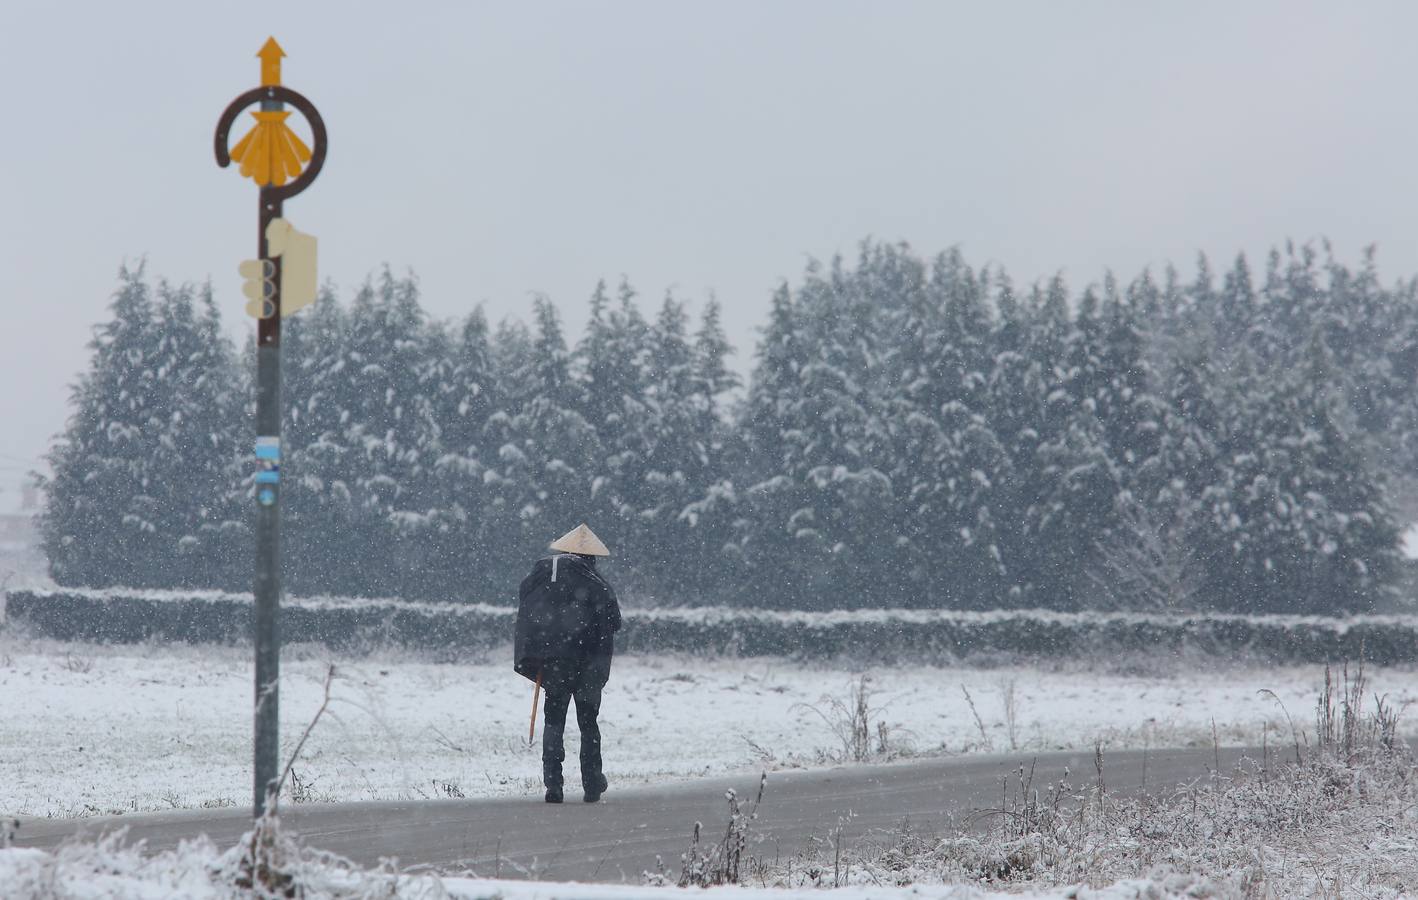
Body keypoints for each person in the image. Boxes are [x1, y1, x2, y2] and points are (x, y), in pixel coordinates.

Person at [514, 523, 622, 803]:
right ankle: (592, 783)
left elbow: (527, 607)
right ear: (591, 557)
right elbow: (614, 621)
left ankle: (553, 785)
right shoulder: (595, 582)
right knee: (588, 724)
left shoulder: (542, 576)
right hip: (588, 665)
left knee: (554, 723)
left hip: (554, 664)